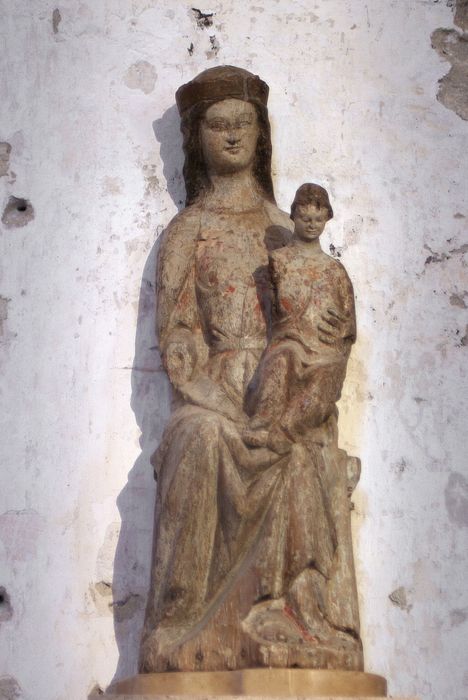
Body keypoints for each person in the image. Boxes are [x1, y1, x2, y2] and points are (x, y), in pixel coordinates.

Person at [139, 67, 363, 674]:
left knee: (307, 453)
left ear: (262, 134)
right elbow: (179, 339)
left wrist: (293, 400)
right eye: (218, 125)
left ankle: (298, 616)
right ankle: (186, 627)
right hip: (213, 396)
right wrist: (217, 398)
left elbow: (317, 331)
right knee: (201, 439)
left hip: (280, 391)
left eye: (244, 124)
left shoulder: (285, 231)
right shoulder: (188, 231)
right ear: (197, 136)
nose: (232, 136)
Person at [244, 183, 356, 454]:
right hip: (289, 343)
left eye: (318, 219)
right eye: (306, 218)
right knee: (282, 361)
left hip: (325, 353)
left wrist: (342, 332)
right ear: (293, 216)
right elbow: (268, 314)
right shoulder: (279, 262)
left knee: (326, 376)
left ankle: (285, 431)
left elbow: (349, 322)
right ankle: (263, 424)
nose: (312, 224)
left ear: (327, 219)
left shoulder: (334, 270)